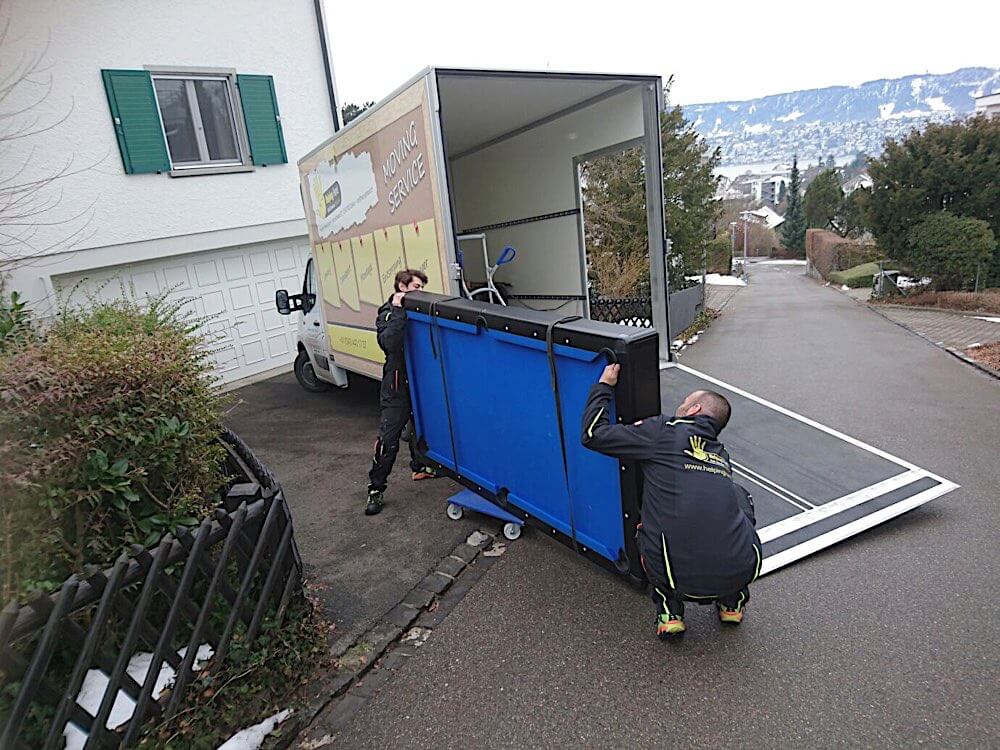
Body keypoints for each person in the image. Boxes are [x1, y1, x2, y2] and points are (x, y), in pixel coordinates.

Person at [581, 363, 762, 639]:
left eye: (685, 401)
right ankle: (731, 603)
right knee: (737, 497)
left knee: (652, 520)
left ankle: (670, 612)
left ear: (694, 410)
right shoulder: (721, 455)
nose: (681, 405)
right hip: (740, 573)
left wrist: (604, 385)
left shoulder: (663, 431)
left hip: (677, 578)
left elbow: (593, 434)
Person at [365, 269, 438, 516]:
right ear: (402, 287)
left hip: (421, 383)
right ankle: (375, 489)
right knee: (389, 441)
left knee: (423, 427)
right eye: (416, 286)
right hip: (396, 388)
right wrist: (398, 309)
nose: (421, 291)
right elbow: (389, 343)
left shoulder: (418, 311)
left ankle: (420, 466)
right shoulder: (387, 313)